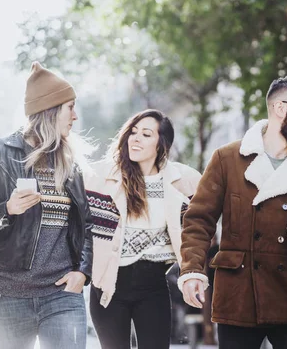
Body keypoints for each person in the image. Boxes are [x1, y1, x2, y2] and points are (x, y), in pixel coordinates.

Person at [179, 76, 287, 349]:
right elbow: (198, 219)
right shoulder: (227, 158)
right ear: (279, 108)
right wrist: (192, 270)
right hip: (238, 295)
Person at [0, 62, 93, 349]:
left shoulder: (70, 163)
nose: (75, 116)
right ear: (50, 111)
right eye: (70, 108)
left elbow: (86, 224)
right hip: (8, 298)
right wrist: (7, 209)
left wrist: (82, 272)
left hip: (61, 294)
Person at [84, 109, 201, 349]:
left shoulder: (184, 181)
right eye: (133, 132)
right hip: (108, 287)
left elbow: (201, 227)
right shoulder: (100, 176)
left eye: (146, 134)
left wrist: (192, 272)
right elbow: (78, 224)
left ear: (161, 144)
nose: (135, 138)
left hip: (153, 286)